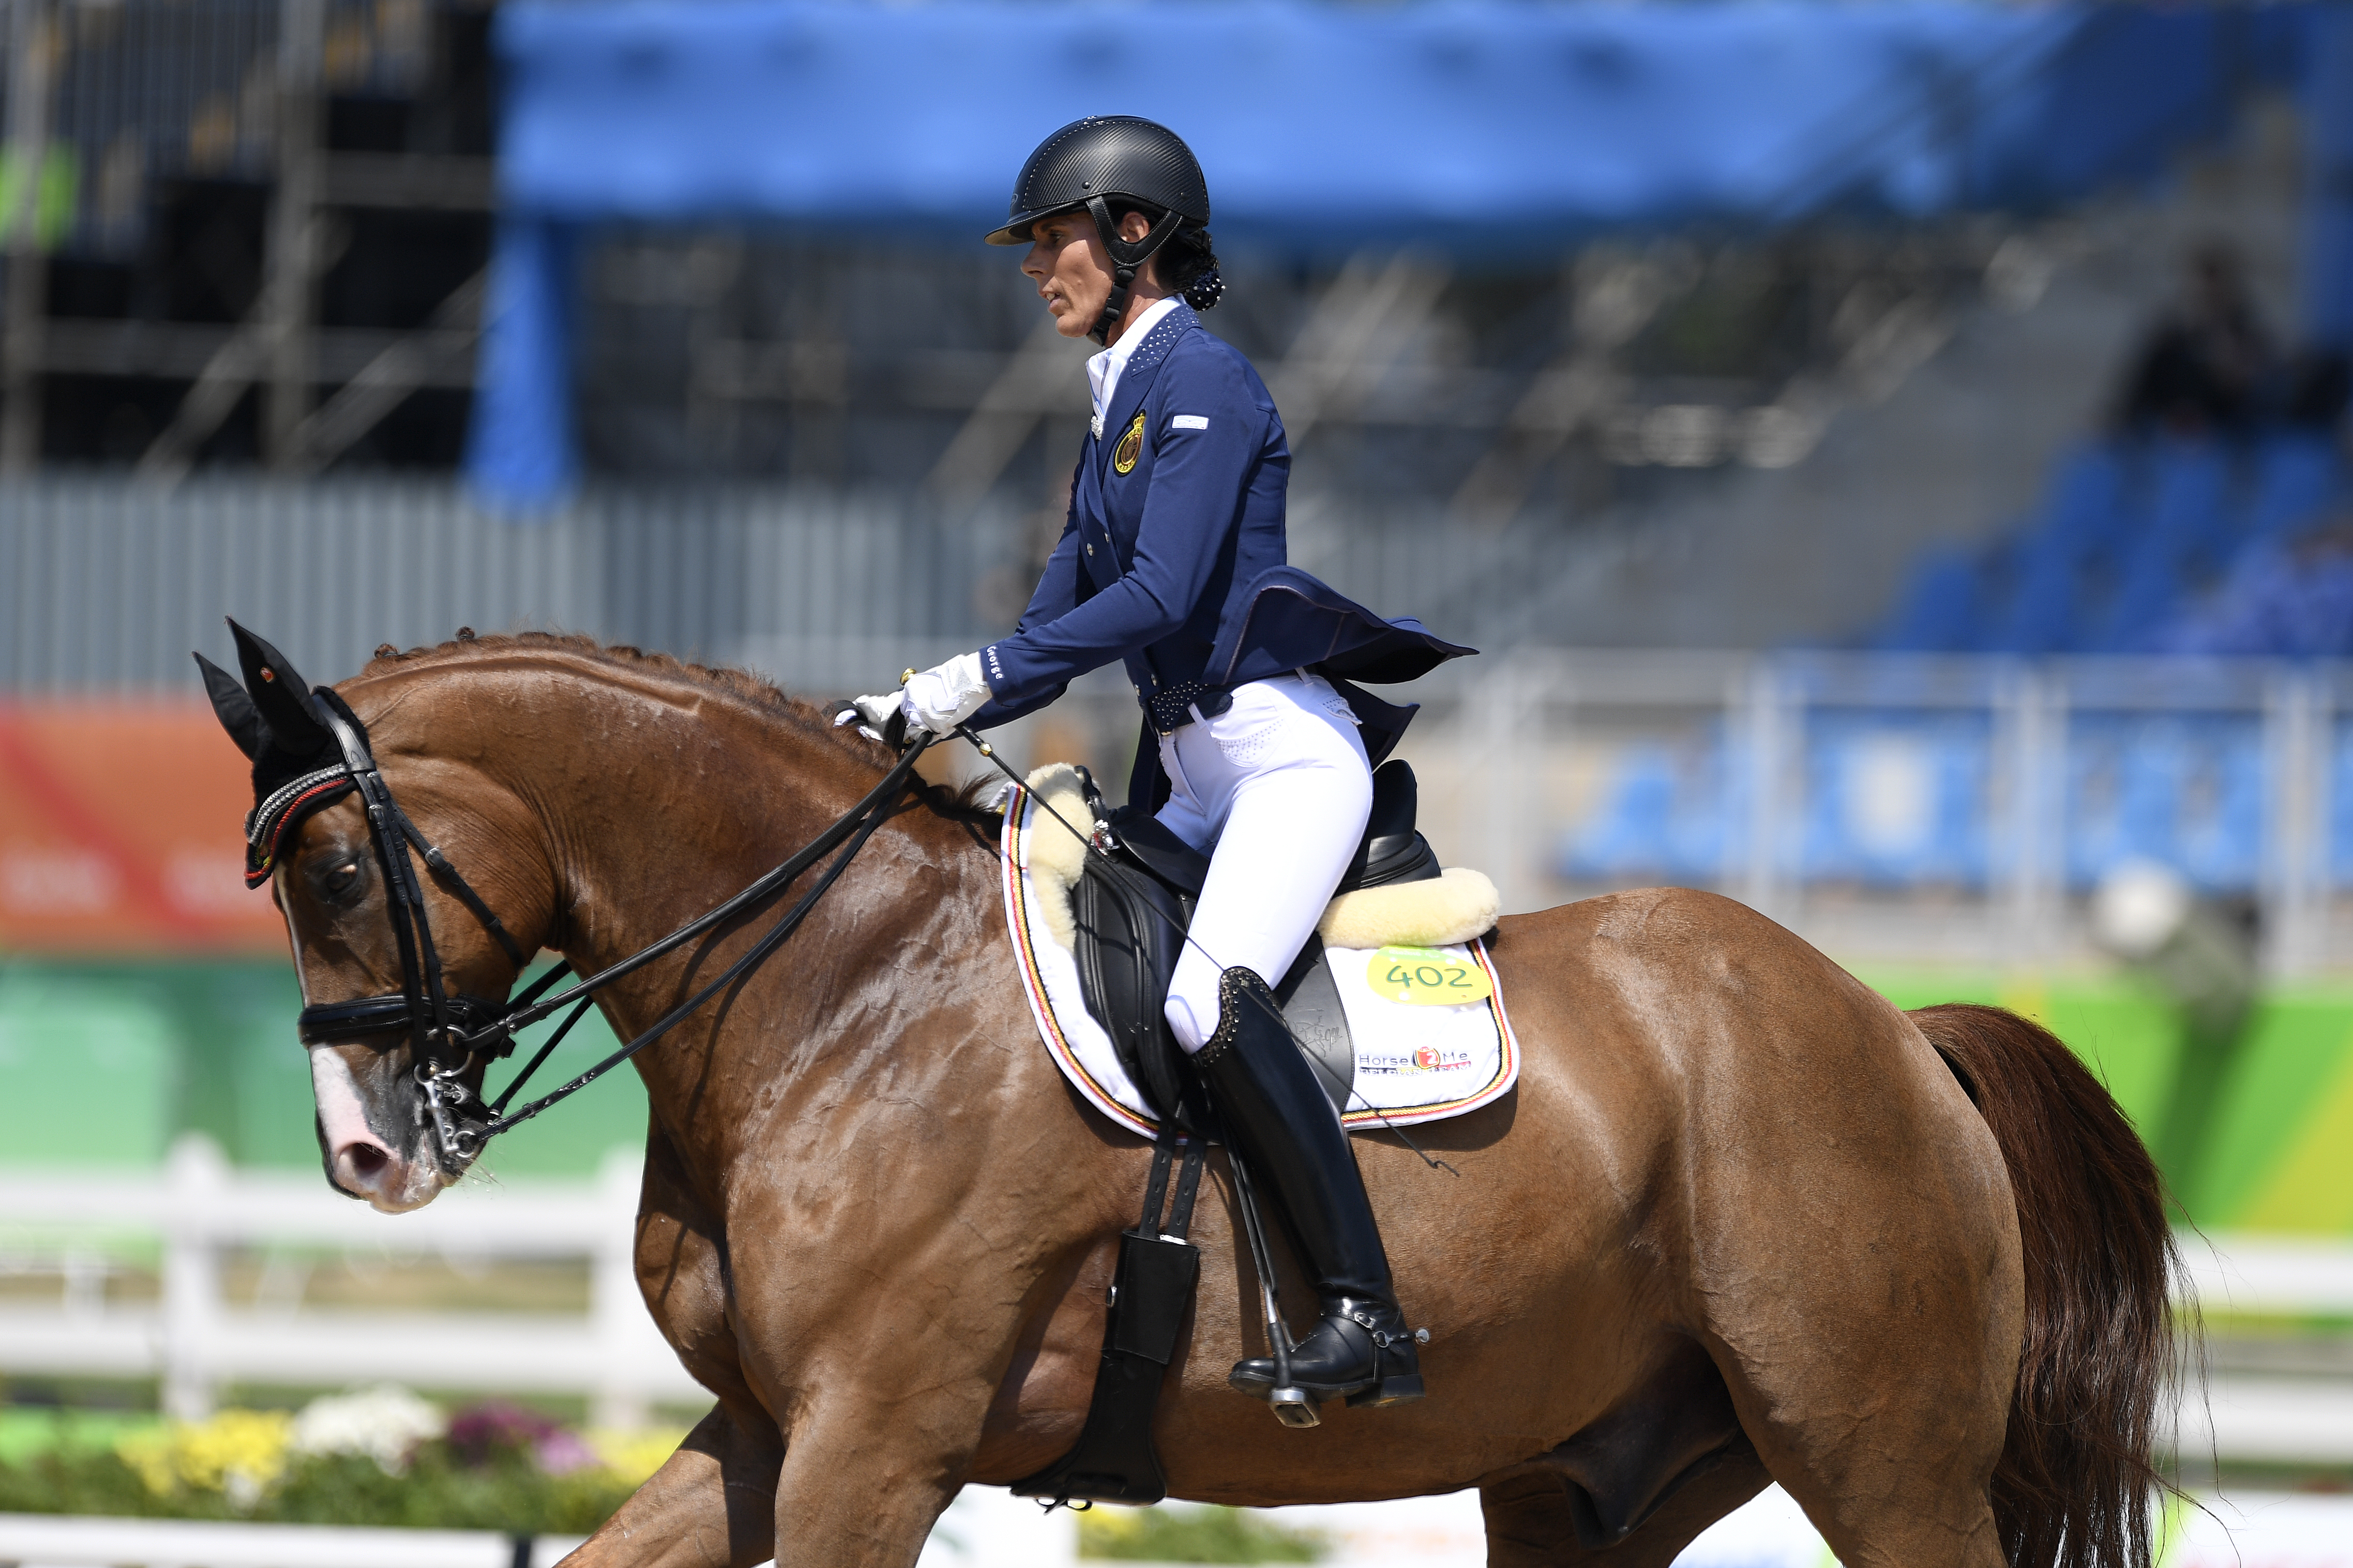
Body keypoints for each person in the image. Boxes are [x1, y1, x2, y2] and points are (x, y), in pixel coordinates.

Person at [844, 116, 1470, 1410]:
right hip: (1188, 770)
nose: (1033, 263)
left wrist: (970, 681)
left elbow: (1159, 589)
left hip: (1280, 759)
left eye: (1052, 234)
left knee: (1205, 1003)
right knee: (1062, 965)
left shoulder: (1206, 382)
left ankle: (1368, 1311)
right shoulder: (1113, 403)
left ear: (1134, 234)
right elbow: (1052, 623)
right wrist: (915, 706)